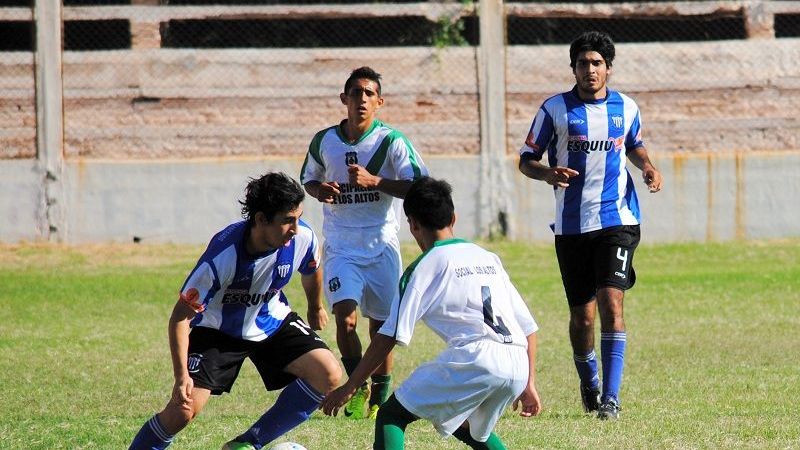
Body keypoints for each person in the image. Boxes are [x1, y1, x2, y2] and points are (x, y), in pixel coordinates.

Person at [321, 176, 542, 450]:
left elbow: (386, 337)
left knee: (391, 416)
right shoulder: (487, 257)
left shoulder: (424, 267)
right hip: (517, 363)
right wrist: (529, 382)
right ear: (454, 218)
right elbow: (529, 327)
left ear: (412, 224)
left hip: (477, 359)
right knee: (469, 427)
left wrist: (351, 385)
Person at [128, 172, 342, 450]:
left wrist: (316, 306)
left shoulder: (301, 239)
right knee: (183, 410)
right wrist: (182, 377)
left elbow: (312, 269)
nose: (296, 228)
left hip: (270, 320)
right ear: (261, 219)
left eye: (298, 218)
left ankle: (247, 444)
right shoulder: (223, 255)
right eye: (288, 220)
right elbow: (181, 317)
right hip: (218, 330)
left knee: (328, 374)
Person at [517, 31, 663, 420]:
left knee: (611, 302)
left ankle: (611, 400)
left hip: (618, 219)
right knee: (582, 316)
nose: (590, 70)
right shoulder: (554, 110)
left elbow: (633, 143)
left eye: (597, 63)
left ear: (608, 69)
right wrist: (548, 173)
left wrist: (646, 165)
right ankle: (590, 381)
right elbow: (526, 160)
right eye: (583, 63)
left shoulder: (627, 108)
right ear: (574, 68)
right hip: (571, 225)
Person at [300, 66, 429, 419]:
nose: (361, 99)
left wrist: (376, 181)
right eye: (355, 93)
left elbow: (419, 186)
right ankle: (355, 387)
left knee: (381, 327)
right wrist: (319, 190)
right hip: (341, 246)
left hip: (382, 246)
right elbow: (308, 180)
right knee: (345, 319)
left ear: (380, 102)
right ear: (344, 99)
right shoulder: (324, 141)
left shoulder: (392, 141)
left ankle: (380, 392)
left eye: (369, 94)